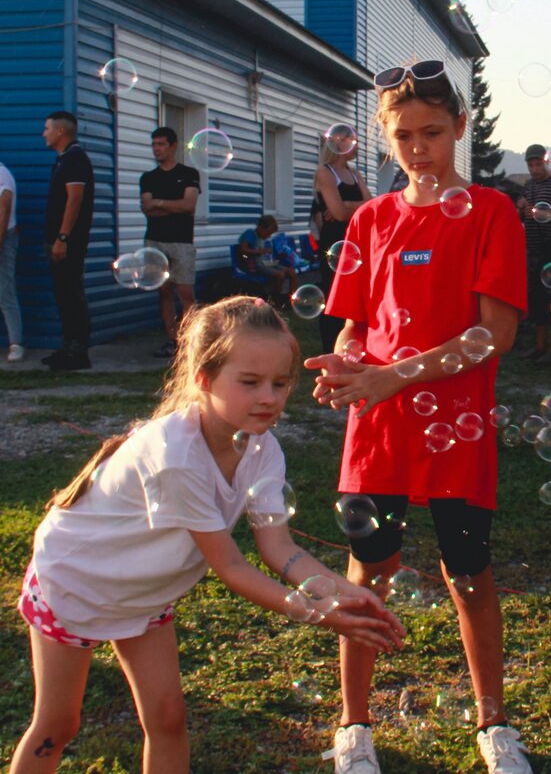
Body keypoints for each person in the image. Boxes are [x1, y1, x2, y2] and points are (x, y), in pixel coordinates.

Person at [8, 296, 405, 774]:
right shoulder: (177, 455)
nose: (269, 398)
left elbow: (279, 547)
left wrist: (350, 596)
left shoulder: (261, 448)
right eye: (250, 382)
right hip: (77, 582)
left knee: (169, 718)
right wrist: (322, 614)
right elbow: (230, 566)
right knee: (57, 727)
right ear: (203, 379)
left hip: (143, 592)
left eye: (281, 384)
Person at [304, 60, 534, 774]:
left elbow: (491, 334)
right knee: (369, 570)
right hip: (377, 426)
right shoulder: (372, 218)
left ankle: (494, 722)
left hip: (454, 419)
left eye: (432, 132)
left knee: (469, 568)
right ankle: (355, 725)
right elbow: (350, 325)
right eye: (403, 136)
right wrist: (347, 365)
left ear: (461, 128)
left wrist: (386, 374)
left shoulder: (491, 211)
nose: (418, 149)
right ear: (385, 137)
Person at [140, 127, 201, 359]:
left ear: (173, 146)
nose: (157, 149)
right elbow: (147, 208)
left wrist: (160, 203)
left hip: (182, 241)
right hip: (155, 240)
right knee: (164, 291)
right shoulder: (148, 178)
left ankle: (192, 339)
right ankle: (172, 339)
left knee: (185, 290)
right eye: (154, 145)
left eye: (161, 144)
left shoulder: (189, 174)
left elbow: (188, 206)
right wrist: (169, 206)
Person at [41, 111, 94, 371]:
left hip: (68, 242)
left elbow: (75, 199)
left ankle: (78, 352)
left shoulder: (75, 158)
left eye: (47, 128)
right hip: (57, 240)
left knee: (71, 292)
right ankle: (67, 348)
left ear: (60, 131)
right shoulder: (63, 159)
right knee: (63, 294)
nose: (44, 133)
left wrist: (63, 237)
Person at [314, 126, 371, 354]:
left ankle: (352, 344)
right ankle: (331, 349)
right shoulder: (325, 172)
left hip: (356, 241)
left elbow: (370, 207)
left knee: (356, 294)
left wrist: (346, 205)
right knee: (333, 295)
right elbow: (337, 214)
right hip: (334, 244)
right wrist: (348, 208)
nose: (356, 144)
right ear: (338, 143)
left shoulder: (355, 174)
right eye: (352, 140)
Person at [516, 143, 551, 365]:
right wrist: (521, 208)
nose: (534, 169)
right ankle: (539, 347)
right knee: (536, 297)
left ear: (546, 161)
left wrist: (545, 216)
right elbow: (523, 215)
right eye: (530, 165)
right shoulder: (528, 186)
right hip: (533, 247)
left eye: (538, 164)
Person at [237, 214, 299, 302]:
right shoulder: (250, 234)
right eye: (268, 233)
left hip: (266, 263)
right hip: (256, 265)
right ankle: (276, 299)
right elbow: (243, 250)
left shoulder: (262, 237)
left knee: (292, 272)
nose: (269, 236)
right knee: (280, 275)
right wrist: (261, 251)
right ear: (261, 228)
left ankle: (293, 299)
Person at [0, 158, 21, 361]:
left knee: (5, 291)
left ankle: (16, 343)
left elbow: (3, 211)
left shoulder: (3, 175)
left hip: (5, 238)